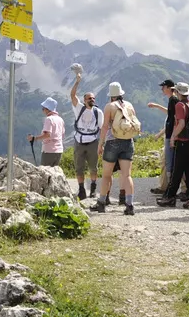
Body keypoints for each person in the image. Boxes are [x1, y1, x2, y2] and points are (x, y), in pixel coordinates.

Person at [91, 82, 137, 215]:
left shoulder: (109, 107)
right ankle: (129, 205)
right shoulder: (129, 105)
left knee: (106, 175)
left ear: (111, 95)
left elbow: (105, 126)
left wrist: (100, 144)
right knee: (127, 175)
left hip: (112, 142)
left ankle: (101, 203)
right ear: (121, 93)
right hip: (128, 142)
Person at [156, 83, 189, 208]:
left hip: (182, 141)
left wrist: (173, 137)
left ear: (177, 92)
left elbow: (180, 123)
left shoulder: (180, 105)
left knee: (177, 170)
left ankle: (170, 197)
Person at [69, 71, 104, 199]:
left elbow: (102, 128)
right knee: (79, 168)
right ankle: (82, 189)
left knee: (93, 168)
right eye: (89, 98)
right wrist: (77, 82)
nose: (92, 100)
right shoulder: (79, 108)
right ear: (84, 100)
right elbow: (72, 95)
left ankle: (93, 189)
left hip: (93, 142)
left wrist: (101, 144)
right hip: (79, 141)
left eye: (93, 98)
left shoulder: (98, 112)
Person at [146, 79, 179, 196]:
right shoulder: (173, 100)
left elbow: (175, 119)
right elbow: (170, 114)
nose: (162, 89)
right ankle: (167, 188)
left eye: (163, 87)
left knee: (169, 162)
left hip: (171, 136)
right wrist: (156, 106)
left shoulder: (173, 100)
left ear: (170, 88)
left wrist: (173, 137)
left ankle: (170, 190)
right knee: (168, 162)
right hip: (170, 135)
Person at [29, 97, 66, 167]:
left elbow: (47, 135)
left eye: (43, 108)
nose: (43, 110)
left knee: (45, 174)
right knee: (54, 173)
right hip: (59, 150)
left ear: (47, 108)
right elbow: (62, 135)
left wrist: (34, 138)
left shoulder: (49, 119)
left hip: (49, 150)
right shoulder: (60, 119)